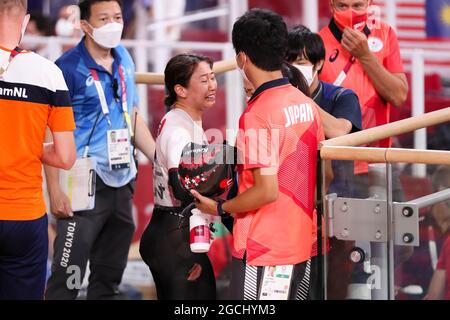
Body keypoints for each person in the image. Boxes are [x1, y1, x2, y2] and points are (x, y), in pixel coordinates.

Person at [191, 8, 325, 300]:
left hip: (264, 249)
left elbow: (266, 191)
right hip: (301, 243)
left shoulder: (256, 115)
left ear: (242, 58)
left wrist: (219, 209)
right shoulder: (306, 104)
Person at [45, 0, 155, 300]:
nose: (113, 24)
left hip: (121, 182)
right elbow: (50, 133)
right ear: (85, 25)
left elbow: (130, 114)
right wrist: (54, 190)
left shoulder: (125, 59)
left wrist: (159, 158)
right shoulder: (66, 68)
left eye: (117, 17)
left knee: (108, 282)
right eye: (103, 18)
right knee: (66, 282)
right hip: (81, 187)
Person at [0, 0, 76, 299]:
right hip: (24, 216)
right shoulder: (48, 73)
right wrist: (27, 145)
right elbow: (66, 157)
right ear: (25, 20)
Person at [286, 24, 363, 300]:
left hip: (336, 217)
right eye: (289, 62)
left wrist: (301, 99)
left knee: (332, 290)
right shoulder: (278, 102)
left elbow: (341, 131)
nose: (294, 68)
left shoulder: (342, 97)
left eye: (301, 62)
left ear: (318, 64)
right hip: (292, 216)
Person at [139, 53, 217, 300]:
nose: (213, 85)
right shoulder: (178, 129)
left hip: (173, 232)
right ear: (180, 90)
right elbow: (180, 186)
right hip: (175, 240)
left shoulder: (184, 120)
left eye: (213, 77)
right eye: (204, 80)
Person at [319, 0, 408, 197]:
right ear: (331, 5)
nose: (350, 13)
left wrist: (365, 55)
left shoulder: (385, 33)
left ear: (369, 3)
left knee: (398, 225)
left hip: (380, 158)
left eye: (357, 6)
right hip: (338, 165)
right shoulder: (318, 43)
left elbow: (399, 96)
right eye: (342, 6)